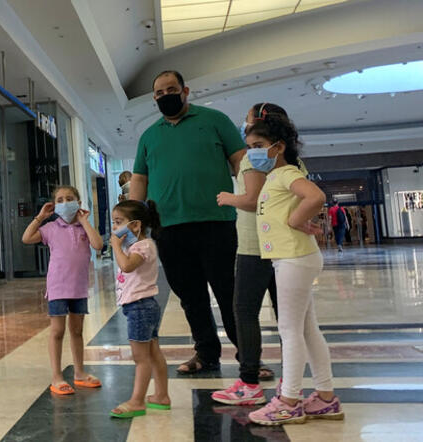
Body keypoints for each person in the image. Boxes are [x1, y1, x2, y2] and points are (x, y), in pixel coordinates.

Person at [129, 70, 246, 374]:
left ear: (185, 90)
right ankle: (206, 354)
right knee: (191, 297)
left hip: (216, 222)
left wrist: (252, 196)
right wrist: (132, 219)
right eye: (159, 93)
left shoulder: (215, 121)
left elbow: (240, 160)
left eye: (171, 89)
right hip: (168, 227)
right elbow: (139, 178)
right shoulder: (149, 136)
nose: (165, 96)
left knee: (228, 292)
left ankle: (248, 355)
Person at [245, 113, 344, 426]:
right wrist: (295, 218)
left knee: (289, 330)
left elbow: (316, 196)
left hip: (294, 258)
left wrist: (295, 219)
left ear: (278, 147)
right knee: (306, 329)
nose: (252, 153)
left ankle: (288, 401)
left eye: (258, 145)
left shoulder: (286, 172)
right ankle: (326, 398)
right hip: (293, 258)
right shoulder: (274, 177)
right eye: (249, 147)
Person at [213, 103, 292, 406]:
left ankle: (249, 382)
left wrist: (228, 198)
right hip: (285, 245)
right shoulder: (291, 161)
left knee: (245, 311)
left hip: (255, 245)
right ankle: (290, 382)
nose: (244, 127)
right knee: (287, 317)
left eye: (246, 121)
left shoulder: (252, 158)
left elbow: (255, 199)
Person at [21, 185, 105, 395]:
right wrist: (40, 217)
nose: (65, 203)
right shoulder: (51, 228)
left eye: (69, 198)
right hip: (58, 287)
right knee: (57, 331)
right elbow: (26, 238)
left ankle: (79, 372)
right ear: (54, 205)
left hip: (79, 287)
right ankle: (56, 376)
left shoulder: (84, 228)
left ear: (78, 202)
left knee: (77, 331)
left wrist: (85, 222)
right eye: (60, 200)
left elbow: (98, 245)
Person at [108, 200, 170, 418]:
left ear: (135, 225)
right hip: (143, 306)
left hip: (140, 307)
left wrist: (116, 246)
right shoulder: (138, 245)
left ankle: (136, 402)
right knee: (153, 353)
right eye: (114, 222)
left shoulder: (142, 247)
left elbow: (127, 266)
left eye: (118, 222)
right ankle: (161, 395)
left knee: (140, 357)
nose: (114, 227)